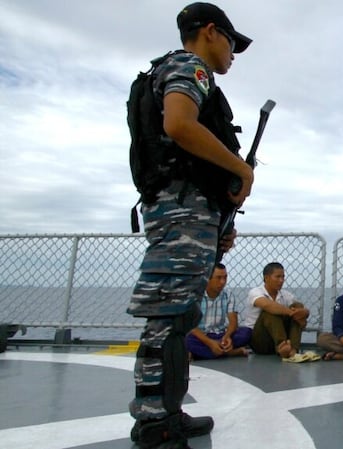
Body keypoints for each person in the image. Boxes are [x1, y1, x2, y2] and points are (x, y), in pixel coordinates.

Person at [125, 3, 253, 448]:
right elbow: (179, 124)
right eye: (232, 42)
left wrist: (217, 223)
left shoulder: (172, 70)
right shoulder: (190, 67)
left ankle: (165, 413)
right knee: (169, 318)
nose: (234, 53)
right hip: (182, 214)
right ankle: (155, 422)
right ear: (210, 32)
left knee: (176, 318)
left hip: (185, 213)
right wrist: (243, 170)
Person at [241, 262, 310, 359]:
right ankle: (282, 346)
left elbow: (300, 313)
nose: (281, 280)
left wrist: (304, 313)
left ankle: (293, 350)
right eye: (277, 277)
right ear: (266, 278)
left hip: (281, 336)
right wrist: (292, 313)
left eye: (283, 277)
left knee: (298, 305)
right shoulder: (255, 292)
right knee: (270, 310)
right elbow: (267, 305)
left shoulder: (286, 295)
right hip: (260, 341)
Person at [185, 263, 252, 359]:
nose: (222, 282)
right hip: (201, 336)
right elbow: (191, 326)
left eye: (225, 278)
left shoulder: (228, 295)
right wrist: (210, 343)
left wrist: (227, 337)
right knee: (187, 340)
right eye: (219, 278)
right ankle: (229, 353)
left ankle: (203, 354)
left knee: (246, 333)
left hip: (220, 335)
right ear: (208, 278)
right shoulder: (196, 295)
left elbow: (233, 323)